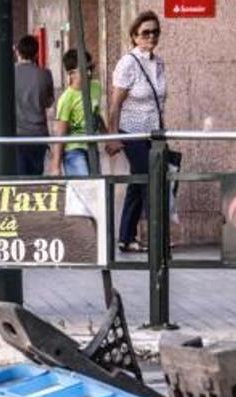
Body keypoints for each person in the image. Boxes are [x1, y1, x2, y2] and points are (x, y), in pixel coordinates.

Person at [106, 10, 166, 253]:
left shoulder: (159, 62)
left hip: (155, 133)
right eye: (145, 33)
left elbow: (158, 101)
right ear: (134, 36)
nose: (150, 37)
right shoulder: (128, 63)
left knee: (138, 182)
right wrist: (113, 136)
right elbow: (115, 103)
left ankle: (126, 237)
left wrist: (164, 130)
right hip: (132, 133)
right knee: (149, 182)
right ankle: (157, 239)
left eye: (155, 32)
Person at [47, 49, 103, 177]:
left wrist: (108, 137)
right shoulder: (67, 98)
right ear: (71, 73)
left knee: (96, 183)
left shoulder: (96, 87)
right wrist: (56, 165)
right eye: (84, 69)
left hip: (91, 146)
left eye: (91, 68)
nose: (89, 73)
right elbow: (61, 132)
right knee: (83, 183)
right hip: (74, 148)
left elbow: (96, 115)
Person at [14, 35, 54, 176]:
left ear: (17, 52)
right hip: (38, 134)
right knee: (36, 175)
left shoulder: (9, 74)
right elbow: (49, 102)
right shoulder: (45, 74)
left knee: (20, 177)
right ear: (36, 53)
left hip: (17, 134)